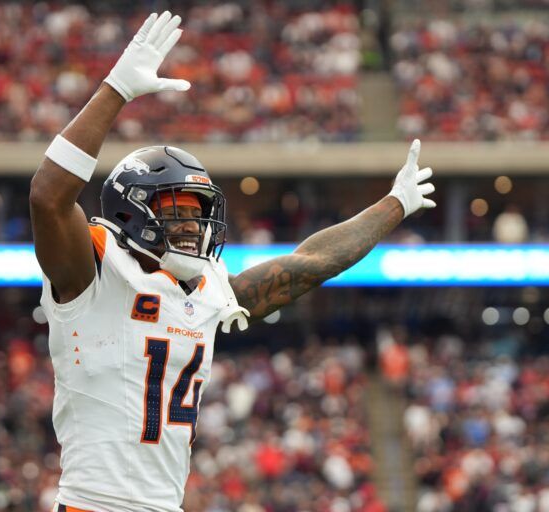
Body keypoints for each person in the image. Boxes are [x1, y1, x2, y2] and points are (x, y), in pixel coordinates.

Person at [30, 11, 435, 512]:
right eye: (174, 210)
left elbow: (311, 263)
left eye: (197, 214)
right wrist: (116, 89)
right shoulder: (92, 272)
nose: (191, 226)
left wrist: (392, 205)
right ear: (128, 210)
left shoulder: (208, 290)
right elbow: (48, 196)